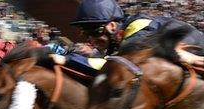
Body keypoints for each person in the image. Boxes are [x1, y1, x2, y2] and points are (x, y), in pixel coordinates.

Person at [55, 0, 204, 76]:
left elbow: (120, 66)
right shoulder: (125, 34)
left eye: (94, 32)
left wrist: (68, 60)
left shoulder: (139, 29)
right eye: (85, 35)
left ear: (112, 26)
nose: (91, 40)